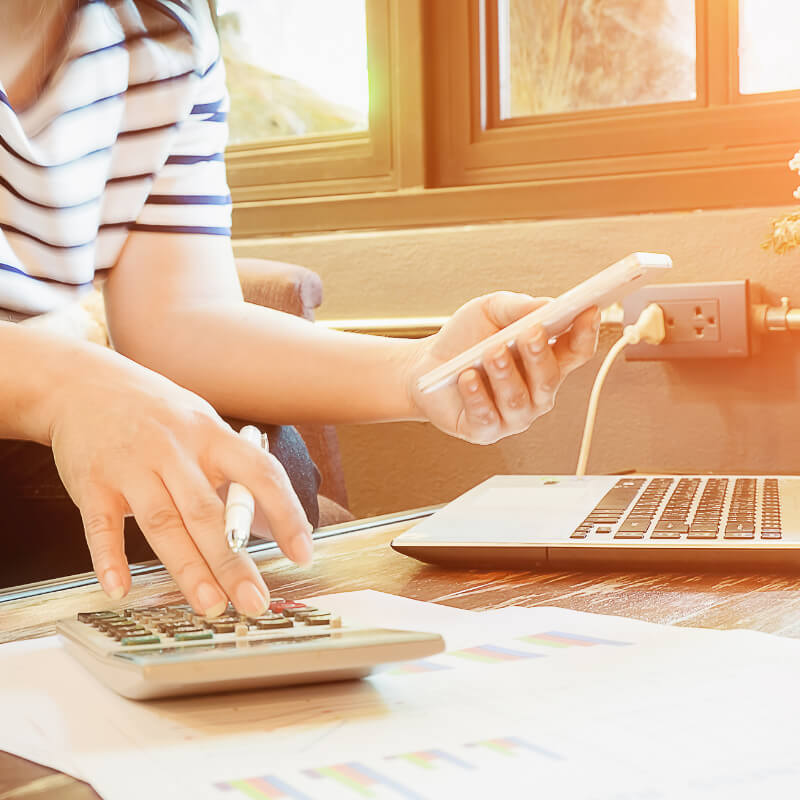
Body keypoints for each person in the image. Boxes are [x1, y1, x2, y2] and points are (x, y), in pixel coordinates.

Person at [0, 0, 599, 619]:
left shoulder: (166, 32)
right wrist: (69, 383)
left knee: (268, 464)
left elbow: (179, 318)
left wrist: (417, 370)